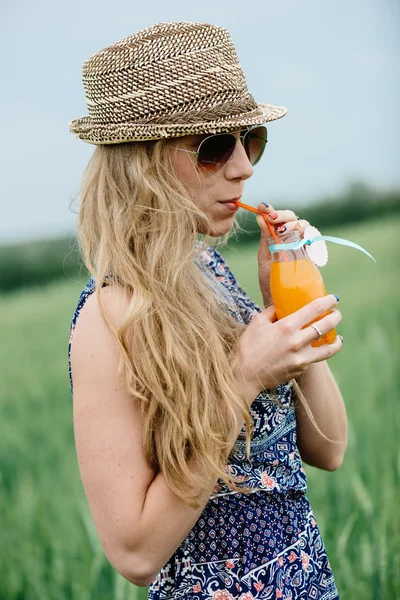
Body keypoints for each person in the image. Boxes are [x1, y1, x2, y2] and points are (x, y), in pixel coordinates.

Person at [68, 21, 347, 600]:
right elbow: (135, 553)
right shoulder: (108, 316)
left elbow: (330, 448)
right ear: (141, 164)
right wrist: (244, 378)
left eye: (250, 140)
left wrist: (284, 307)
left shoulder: (215, 279)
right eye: (214, 148)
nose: (244, 167)